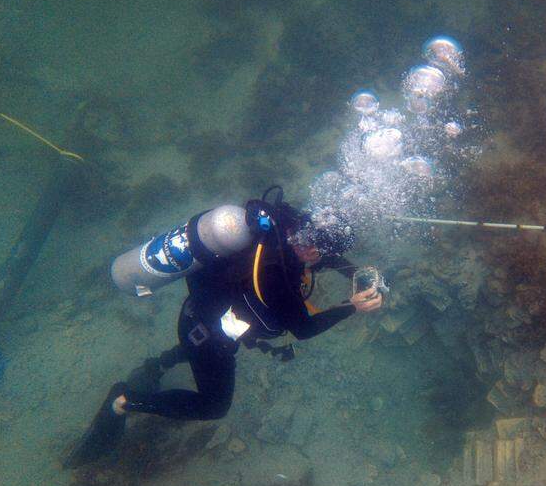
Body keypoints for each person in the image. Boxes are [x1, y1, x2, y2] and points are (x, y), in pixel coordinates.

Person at [64, 192, 383, 469]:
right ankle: (125, 401)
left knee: (200, 342)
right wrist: (352, 306)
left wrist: (356, 272)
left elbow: (325, 256)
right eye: (322, 254)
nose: (323, 259)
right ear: (313, 246)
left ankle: (159, 364)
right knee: (214, 405)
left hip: (198, 313)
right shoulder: (276, 277)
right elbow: (304, 329)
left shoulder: (284, 222)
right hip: (210, 337)